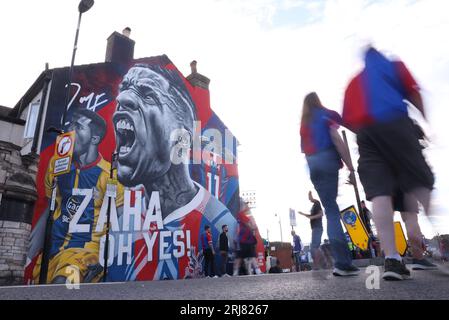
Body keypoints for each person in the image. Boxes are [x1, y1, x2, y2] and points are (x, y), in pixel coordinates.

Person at [109, 63, 237, 280]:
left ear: (181, 139)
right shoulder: (123, 220)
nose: (123, 99)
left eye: (148, 96)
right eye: (125, 89)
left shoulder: (220, 225)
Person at [342, 46, 437, 280]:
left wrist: (369, 134)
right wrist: (426, 123)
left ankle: (392, 259)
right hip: (396, 122)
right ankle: (431, 247)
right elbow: (414, 94)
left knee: (379, 194)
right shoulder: (393, 66)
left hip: (366, 134)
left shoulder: (355, 81)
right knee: (419, 182)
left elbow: (347, 118)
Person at [30, 108, 124, 284]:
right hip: (53, 250)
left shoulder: (109, 174)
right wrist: (30, 252)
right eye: (70, 124)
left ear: (94, 139)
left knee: (62, 285)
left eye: (78, 127)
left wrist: (105, 260)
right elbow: (52, 205)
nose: (69, 131)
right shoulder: (57, 164)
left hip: (84, 252)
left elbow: (122, 220)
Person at [300, 92, 359, 277]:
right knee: (332, 212)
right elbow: (336, 138)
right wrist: (351, 167)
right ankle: (342, 263)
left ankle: (342, 262)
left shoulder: (304, 125)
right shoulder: (325, 115)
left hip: (313, 165)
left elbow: (305, 151)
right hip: (327, 160)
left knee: (329, 208)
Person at [393, 189, 437, 270]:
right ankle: (418, 258)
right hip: (403, 182)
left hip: (381, 180)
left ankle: (391, 260)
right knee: (410, 217)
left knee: (383, 205)